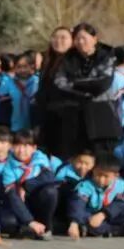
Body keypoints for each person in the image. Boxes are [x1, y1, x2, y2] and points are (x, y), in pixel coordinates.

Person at [51, 23, 123, 159]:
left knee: (104, 161)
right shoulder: (68, 59)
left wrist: (75, 83)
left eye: (84, 38)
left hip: (102, 116)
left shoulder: (106, 55)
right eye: (77, 38)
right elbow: (60, 83)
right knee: (78, 160)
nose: (80, 42)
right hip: (76, 118)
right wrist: (88, 87)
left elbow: (103, 83)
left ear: (94, 39)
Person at [0, 130, 56, 239]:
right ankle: (27, 226)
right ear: (11, 147)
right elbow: (12, 196)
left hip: (36, 200)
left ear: (34, 148)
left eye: (26, 146)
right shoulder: (8, 167)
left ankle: (46, 227)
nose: (21, 150)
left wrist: (26, 185)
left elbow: (50, 178)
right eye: (17, 145)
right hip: (18, 204)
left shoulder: (41, 159)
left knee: (50, 191)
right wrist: (30, 221)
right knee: (8, 222)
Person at [35, 26, 74, 156]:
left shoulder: (75, 62)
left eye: (63, 38)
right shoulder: (47, 62)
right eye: (55, 37)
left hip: (68, 118)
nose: (58, 41)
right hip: (48, 117)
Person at [66, 155, 124, 239]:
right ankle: (116, 231)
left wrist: (103, 214)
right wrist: (74, 223)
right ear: (93, 171)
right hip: (93, 216)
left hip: (113, 216)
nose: (101, 179)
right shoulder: (85, 185)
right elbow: (78, 203)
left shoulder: (122, 186)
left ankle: (113, 230)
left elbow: (120, 204)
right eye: (98, 175)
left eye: (106, 176)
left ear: (116, 176)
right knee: (88, 222)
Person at [54, 150, 95, 229]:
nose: (83, 166)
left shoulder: (96, 175)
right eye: (80, 162)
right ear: (72, 161)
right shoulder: (64, 172)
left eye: (87, 164)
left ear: (93, 165)